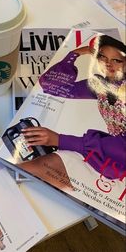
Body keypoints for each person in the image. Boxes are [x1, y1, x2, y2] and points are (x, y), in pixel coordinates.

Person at [20, 34, 126, 180]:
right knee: (36, 165)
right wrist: (75, 54)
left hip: (115, 154)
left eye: (116, 60)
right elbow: (52, 87)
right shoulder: (99, 85)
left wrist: (60, 140)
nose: (108, 64)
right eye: (102, 57)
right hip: (108, 154)